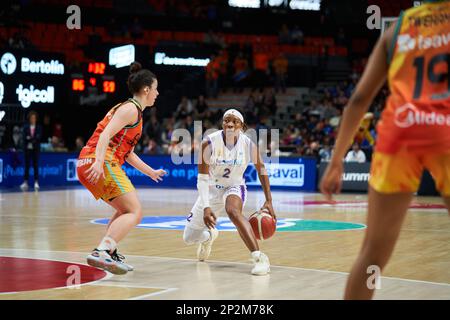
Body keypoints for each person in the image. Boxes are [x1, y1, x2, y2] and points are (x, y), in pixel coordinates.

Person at [320, 1, 450, 299]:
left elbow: (359, 99)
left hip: (400, 132)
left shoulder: (396, 28)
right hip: (445, 129)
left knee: (372, 255)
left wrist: (336, 160)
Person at [77, 62, 167, 275]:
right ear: (146, 89)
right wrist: (99, 162)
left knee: (124, 209)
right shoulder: (130, 109)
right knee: (135, 211)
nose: (157, 93)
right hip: (99, 160)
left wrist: (150, 172)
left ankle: (110, 249)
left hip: (92, 161)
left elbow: (128, 153)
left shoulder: (134, 112)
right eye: (155, 88)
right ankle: (102, 250)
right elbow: (105, 135)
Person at [183, 109, 276, 275]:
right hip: (211, 190)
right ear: (222, 123)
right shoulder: (209, 143)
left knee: (233, 211)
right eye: (227, 120)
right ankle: (208, 237)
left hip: (234, 187)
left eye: (235, 121)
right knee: (188, 238)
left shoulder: (248, 144)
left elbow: (262, 170)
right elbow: (202, 179)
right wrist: (206, 206)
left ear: (242, 126)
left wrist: (268, 200)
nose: (230, 124)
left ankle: (259, 257)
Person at [20, 111, 42, 191]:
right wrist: (32, 139)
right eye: (32, 118)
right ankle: (25, 182)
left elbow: (38, 137)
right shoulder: (26, 127)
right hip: (27, 150)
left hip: (35, 150)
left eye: (34, 118)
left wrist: (31, 138)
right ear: (29, 119)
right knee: (27, 166)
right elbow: (24, 138)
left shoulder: (39, 127)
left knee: (35, 166)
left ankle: (36, 182)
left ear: (36, 119)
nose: (33, 119)